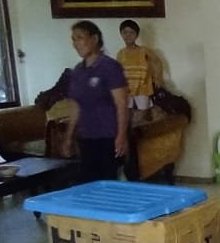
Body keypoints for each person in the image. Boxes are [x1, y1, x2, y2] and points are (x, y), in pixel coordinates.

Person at [62, 20, 128, 183]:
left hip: (108, 137)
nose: (76, 43)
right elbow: (76, 107)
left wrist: (121, 136)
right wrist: (69, 138)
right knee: (88, 182)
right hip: (86, 136)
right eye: (73, 39)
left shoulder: (110, 67)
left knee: (109, 183)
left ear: (94, 39)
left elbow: (121, 104)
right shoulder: (78, 71)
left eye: (80, 38)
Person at [116, 20, 164, 122]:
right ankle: (130, 129)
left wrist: (158, 77)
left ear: (137, 35)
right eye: (125, 32)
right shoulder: (121, 53)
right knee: (127, 112)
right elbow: (118, 71)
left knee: (144, 112)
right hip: (127, 88)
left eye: (131, 32)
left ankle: (142, 129)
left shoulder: (143, 50)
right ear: (121, 34)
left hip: (142, 87)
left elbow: (157, 61)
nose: (128, 35)